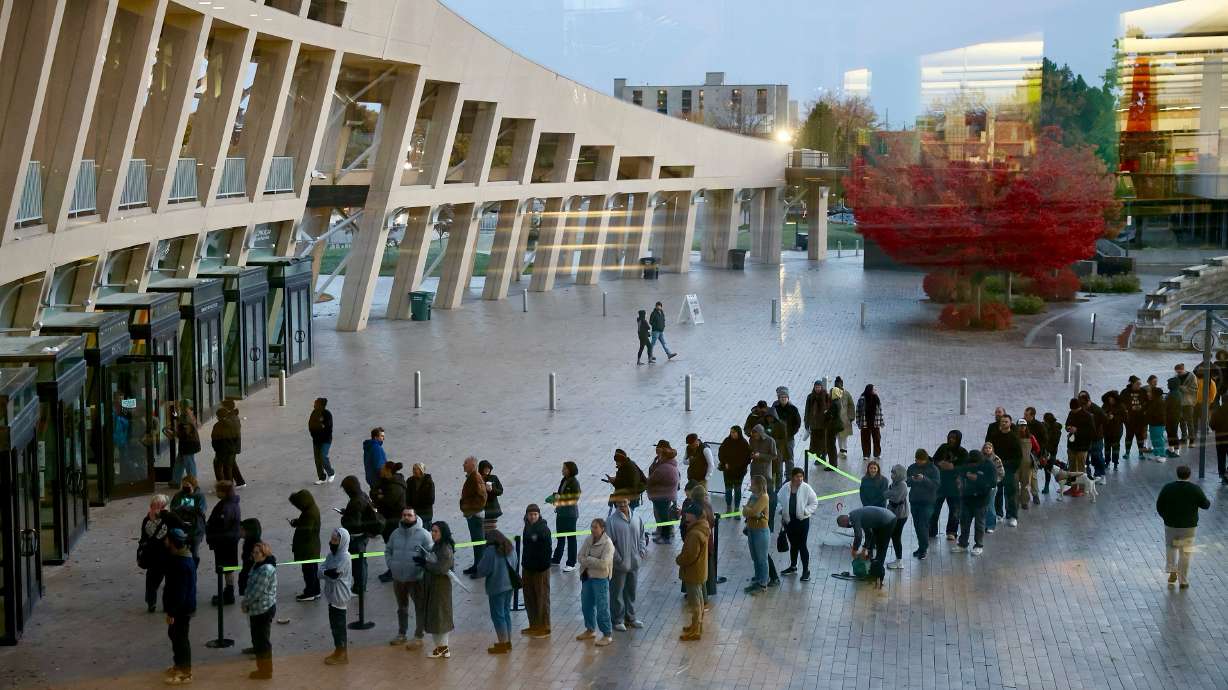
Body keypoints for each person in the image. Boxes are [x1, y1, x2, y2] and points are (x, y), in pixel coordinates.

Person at [1155, 465, 1211, 588]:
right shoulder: (1194, 489)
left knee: (1170, 547)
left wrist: (1165, 517)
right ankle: (1183, 581)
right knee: (1185, 552)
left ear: (1177, 474)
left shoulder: (1168, 488)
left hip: (1171, 525)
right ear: (1189, 475)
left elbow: (1159, 505)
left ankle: (1172, 570)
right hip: (1189, 526)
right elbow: (1205, 505)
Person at [386, 507, 432, 647]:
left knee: (419, 607)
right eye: (404, 515)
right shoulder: (395, 533)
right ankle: (402, 634)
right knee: (402, 607)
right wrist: (391, 564)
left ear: (415, 517)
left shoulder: (424, 535)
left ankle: (419, 636)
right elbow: (388, 550)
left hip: (416, 579)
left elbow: (430, 556)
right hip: (398, 578)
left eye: (409, 515)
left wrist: (422, 568)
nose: (406, 517)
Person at [162, 528, 197, 686]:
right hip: (182, 607)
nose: (165, 542)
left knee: (180, 637)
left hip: (181, 609)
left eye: (167, 539)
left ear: (173, 542)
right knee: (175, 635)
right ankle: (179, 665)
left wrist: (172, 612)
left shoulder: (181, 564)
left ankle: (185, 671)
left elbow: (179, 592)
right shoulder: (181, 558)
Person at [475, 529, 519, 654]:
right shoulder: (510, 547)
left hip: (496, 587)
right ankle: (508, 641)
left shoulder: (490, 551)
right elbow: (515, 563)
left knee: (498, 615)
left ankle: (502, 643)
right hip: (509, 585)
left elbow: (483, 569)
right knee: (506, 613)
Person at [606, 497, 647, 631]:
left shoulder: (636, 517)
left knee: (631, 591)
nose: (623, 505)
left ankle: (630, 617)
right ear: (616, 504)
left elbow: (642, 535)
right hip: (619, 565)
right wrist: (618, 559)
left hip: (634, 562)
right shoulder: (611, 521)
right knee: (617, 592)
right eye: (620, 503)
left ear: (628, 501)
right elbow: (609, 544)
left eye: (625, 502)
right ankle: (617, 619)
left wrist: (641, 551)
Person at [418, 521, 455, 659]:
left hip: (441, 587)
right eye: (432, 531)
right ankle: (441, 647)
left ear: (442, 532)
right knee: (436, 615)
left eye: (436, 531)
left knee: (440, 616)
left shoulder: (445, 548)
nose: (432, 534)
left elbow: (441, 568)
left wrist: (425, 564)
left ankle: (442, 648)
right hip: (434, 585)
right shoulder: (438, 546)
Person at [576, 518, 615, 647]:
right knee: (586, 605)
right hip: (587, 577)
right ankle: (590, 629)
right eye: (592, 527)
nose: (592, 529)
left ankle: (607, 634)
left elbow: (604, 564)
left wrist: (588, 560)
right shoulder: (589, 539)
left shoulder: (608, 544)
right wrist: (592, 561)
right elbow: (579, 556)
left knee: (602, 607)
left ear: (602, 528)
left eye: (595, 527)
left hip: (600, 579)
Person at [242, 542, 277, 680]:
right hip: (257, 609)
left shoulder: (266, 569)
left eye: (257, 553)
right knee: (258, 640)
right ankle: (262, 669)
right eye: (254, 552)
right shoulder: (258, 566)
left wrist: (246, 602)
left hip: (263, 609)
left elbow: (257, 591)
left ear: (264, 554)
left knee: (262, 642)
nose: (254, 555)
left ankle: (265, 671)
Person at [339, 475, 379, 594]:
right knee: (361, 562)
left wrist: (344, 518)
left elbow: (353, 523)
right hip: (363, 535)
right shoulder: (363, 496)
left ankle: (359, 588)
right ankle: (360, 586)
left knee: (358, 564)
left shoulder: (355, 501)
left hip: (357, 537)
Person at [776, 467, 818, 580]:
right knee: (793, 544)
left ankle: (806, 571)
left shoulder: (806, 488)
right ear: (792, 477)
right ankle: (793, 566)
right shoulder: (785, 488)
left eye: (801, 476)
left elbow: (814, 503)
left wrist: (805, 511)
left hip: (802, 521)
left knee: (802, 545)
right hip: (789, 521)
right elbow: (778, 500)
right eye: (797, 476)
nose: (799, 478)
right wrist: (781, 510)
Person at [675, 507, 710, 641]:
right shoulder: (703, 527)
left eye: (688, 516)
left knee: (695, 602)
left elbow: (690, 555)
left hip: (693, 571)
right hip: (700, 570)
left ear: (695, 516)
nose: (686, 518)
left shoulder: (695, 533)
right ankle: (697, 625)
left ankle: (695, 630)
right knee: (699, 599)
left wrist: (679, 559)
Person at [837, 505, 896, 581]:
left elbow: (858, 536)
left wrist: (854, 550)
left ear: (844, 521)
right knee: (877, 543)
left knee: (881, 547)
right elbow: (869, 534)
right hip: (881, 521)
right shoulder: (855, 515)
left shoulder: (854, 518)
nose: (847, 527)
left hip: (888, 521)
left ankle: (877, 574)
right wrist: (864, 549)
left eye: (844, 526)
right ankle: (874, 568)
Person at [204, 481, 240, 606]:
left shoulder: (225, 508)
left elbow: (220, 525)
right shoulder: (232, 503)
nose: (216, 492)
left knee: (225, 568)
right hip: (230, 540)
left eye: (218, 490)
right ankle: (228, 591)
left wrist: (209, 529)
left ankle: (229, 594)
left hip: (224, 542)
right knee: (228, 569)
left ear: (223, 492)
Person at [321, 527, 353, 665]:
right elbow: (321, 571)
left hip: (340, 596)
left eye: (335, 540)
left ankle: (342, 653)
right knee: (334, 626)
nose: (332, 542)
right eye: (332, 539)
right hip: (331, 596)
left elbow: (334, 575)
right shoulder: (331, 555)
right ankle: (338, 650)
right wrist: (326, 573)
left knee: (339, 626)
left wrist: (325, 573)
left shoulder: (345, 557)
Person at [372, 461, 408, 583]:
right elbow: (373, 492)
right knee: (390, 545)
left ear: (388, 471)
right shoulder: (385, 482)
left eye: (383, 468)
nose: (380, 470)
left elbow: (387, 502)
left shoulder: (395, 485)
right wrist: (378, 495)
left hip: (393, 521)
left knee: (393, 547)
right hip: (387, 519)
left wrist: (379, 496)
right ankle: (392, 570)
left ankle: (394, 571)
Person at [520, 504, 553, 638]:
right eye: (530, 514)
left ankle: (544, 627)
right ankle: (533, 625)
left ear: (539, 515)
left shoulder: (543, 529)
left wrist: (542, 566)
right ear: (527, 515)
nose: (533, 516)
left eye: (535, 514)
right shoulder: (527, 527)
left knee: (541, 598)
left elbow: (547, 550)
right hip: (528, 568)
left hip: (540, 570)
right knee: (529, 598)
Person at [954, 450, 994, 556]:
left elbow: (993, 482)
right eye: (971, 463)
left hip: (981, 499)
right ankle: (963, 544)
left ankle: (978, 545)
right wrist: (960, 479)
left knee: (979, 524)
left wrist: (977, 478)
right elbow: (960, 472)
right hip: (967, 498)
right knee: (964, 522)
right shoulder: (967, 463)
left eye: (975, 464)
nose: (973, 466)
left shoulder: (989, 465)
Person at [986, 414, 1021, 526]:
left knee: (1011, 493)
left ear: (1010, 423)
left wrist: (1011, 468)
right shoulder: (995, 436)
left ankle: (1012, 516)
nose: (1004, 423)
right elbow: (990, 452)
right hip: (997, 470)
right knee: (997, 493)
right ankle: (998, 514)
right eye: (1002, 421)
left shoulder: (1014, 438)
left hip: (1009, 470)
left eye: (1006, 421)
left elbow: (1018, 456)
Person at [931, 431, 966, 542]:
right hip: (940, 484)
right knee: (934, 509)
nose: (951, 440)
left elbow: (966, 467)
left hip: (954, 486)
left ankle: (952, 531)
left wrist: (953, 467)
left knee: (955, 510)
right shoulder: (943, 448)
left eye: (954, 438)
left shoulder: (963, 452)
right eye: (950, 437)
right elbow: (934, 460)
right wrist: (940, 464)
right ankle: (931, 530)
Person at [742, 475, 774, 594]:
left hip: (761, 531)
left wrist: (749, 510)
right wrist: (749, 511)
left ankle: (763, 583)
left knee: (762, 558)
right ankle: (758, 579)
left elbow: (754, 511)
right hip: (751, 529)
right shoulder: (753, 496)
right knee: (755, 557)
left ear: (758, 485)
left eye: (753, 484)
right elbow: (745, 512)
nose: (751, 486)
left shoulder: (764, 497)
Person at [139, 495, 171, 613]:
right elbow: (145, 537)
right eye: (154, 506)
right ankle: (151, 603)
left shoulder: (168, 518)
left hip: (167, 555)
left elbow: (164, 535)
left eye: (160, 506)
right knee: (152, 581)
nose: (156, 509)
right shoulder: (146, 520)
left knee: (169, 583)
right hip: (153, 556)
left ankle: (167, 605)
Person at [906, 449, 940, 560]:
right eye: (916, 459)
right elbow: (907, 482)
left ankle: (923, 549)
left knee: (923, 525)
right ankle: (921, 547)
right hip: (915, 501)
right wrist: (911, 480)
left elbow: (935, 485)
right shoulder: (912, 468)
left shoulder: (933, 469)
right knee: (917, 525)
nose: (917, 462)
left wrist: (924, 479)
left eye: (920, 460)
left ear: (925, 459)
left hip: (928, 502)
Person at [289, 490, 322, 602]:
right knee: (313, 569)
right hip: (313, 546)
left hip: (308, 548)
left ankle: (310, 592)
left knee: (308, 571)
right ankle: (316, 590)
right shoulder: (312, 508)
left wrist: (299, 529)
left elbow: (306, 531)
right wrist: (298, 522)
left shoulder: (309, 513)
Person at [646, 440, 680, 544]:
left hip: (663, 495)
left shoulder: (664, 468)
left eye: (660, 450)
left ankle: (666, 536)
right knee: (661, 515)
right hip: (661, 494)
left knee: (664, 517)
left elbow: (652, 479)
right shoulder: (662, 463)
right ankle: (662, 533)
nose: (657, 452)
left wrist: (646, 482)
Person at [550, 461, 581, 571]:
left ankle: (571, 563)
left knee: (571, 538)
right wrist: (555, 497)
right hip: (561, 513)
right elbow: (561, 494)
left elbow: (575, 498)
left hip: (570, 515)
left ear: (570, 470)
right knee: (560, 537)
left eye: (564, 468)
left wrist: (560, 499)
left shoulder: (574, 483)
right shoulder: (564, 480)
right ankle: (556, 559)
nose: (562, 470)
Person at [459, 456, 488, 575]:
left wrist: (469, 508)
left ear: (472, 465)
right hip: (473, 514)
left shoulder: (476, 478)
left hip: (475, 515)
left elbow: (482, 498)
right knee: (475, 542)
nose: (463, 465)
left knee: (479, 542)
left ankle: (480, 568)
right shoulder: (472, 477)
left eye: (465, 463)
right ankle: (477, 565)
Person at [169, 475, 207, 566]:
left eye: (187, 485)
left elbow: (201, 511)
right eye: (183, 485)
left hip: (196, 528)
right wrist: (190, 509)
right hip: (181, 526)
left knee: (194, 551)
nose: (185, 487)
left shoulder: (199, 496)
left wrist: (184, 508)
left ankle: (193, 568)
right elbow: (173, 509)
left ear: (193, 485)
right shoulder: (178, 495)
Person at [166, 400, 200, 486]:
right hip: (187, 443)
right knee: (180, 462)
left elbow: (186, 433)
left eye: (180, 405)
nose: (179, 407)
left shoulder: (186, 417)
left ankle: (192, 482)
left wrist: (173, 433)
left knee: (189, 463)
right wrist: (176, 417)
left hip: (188, 444)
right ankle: (176, 480)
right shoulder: (187, 414)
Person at [211, 400, 245, 487]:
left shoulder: (222, 424)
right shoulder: (234, 417)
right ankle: (240, 482)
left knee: (222, 466)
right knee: (231, 464)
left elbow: (216, 438)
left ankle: (226, 486)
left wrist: (216, 448)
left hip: (225, 448)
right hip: (233, 446)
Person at [718, 426, 751, 513]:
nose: (732, 434)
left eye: (734, 432)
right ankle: (728, 507)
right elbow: (721, 452)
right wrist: (725, 462)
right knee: (728, 490)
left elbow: (747, 458)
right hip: (728, 471)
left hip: (739, 472)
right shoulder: (727, 441)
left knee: (737, 490)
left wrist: (737, 466)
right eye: (731, 432)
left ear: (738, 433)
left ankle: (736, 508)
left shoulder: (744, 443)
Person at [772, 386, 802, 473]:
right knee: (778, 459)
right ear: (778, 398)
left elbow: (797, 423)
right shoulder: (775, 407)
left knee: (789, 459)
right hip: (777, 439)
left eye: (785, 397)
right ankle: (779, 477)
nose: (784, 399)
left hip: (789, 438)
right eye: (782, 397)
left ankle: (789, 477)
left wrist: (790, 433)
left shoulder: (793, 409)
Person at [886, 465, 909, 569]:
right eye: (891, 472)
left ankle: (899, 561)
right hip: (894, 513)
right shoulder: (895, 483)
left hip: (900, 515)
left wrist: (887, 493)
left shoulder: (902, 485)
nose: (892, 475)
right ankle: (898, 559)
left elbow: (895, 498)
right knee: (894, 536)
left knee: (896, 536)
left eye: (894, 473)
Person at [307, 398, 335, 484]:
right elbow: (310, 425)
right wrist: (314, 434)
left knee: (323, 456)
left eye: (316, 403)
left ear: (321, 405)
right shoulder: (314, 413)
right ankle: (322, 477)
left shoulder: (327, 414)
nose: (314, 404)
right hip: (316, 440)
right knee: (317, 459)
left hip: (326, 440)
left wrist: (320, 427)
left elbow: (328, 428)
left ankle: (331, 473)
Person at [804, 380, 832, 467]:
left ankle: (823, 457)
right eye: (816, 387)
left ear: (821, 387)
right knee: (815, 442)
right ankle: (818, 457)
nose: (817, 389)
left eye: (819, 387)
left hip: (823, 424)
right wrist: (806, 422)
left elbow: (829, 408)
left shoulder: (826, 396)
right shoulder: (810, 397)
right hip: (814, 424)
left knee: (823, 442)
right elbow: (807, 410)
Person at [1120, 376, 1149, 458]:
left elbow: (1147, 403)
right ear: (1132, 383)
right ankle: (1127, 453)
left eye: (1140, 384)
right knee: (1129, 436)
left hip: (1140, 419)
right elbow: (1121, 404)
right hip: (1129, 419)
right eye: (1137, 384)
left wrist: (1141, 407)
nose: (1139, 386)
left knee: (1140, 436)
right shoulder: (1125, 392)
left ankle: (1141, 453)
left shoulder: (1143, 391)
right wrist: (1130, 408)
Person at [1065, 397, 1095, 473]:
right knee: (1071, 468)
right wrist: (1068, 428)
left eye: (1074, 410)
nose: (1073, 411)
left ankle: (1081, 484)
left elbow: (1092, 432)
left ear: (1079, 407)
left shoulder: (1088, 416)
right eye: (1072, 410)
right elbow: (1067, 424)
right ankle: (1073, 484)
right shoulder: (1071, 413)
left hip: (1083, 447)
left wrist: (1077, 430)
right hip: (1072, 445)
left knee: (1081, 469)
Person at [855, 384, 884, 460]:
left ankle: (877, 453)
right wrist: (858, 422)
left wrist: (881, 422)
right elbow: (858, 411)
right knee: (865, 439)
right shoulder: (862, 399)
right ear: (870, 390)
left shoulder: (877, 398)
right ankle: (866, 454)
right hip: (865, 422)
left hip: (875, 422)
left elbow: (880, 411)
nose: (875, 391)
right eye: (874, 389)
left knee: (877, 439)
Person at [1173, 363, 1199, 448]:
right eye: (1177, 372)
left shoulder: (1192, 376)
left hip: (1188, 402)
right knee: (1181, 421)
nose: (1178, 373)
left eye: (1180, 372)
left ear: (1183, 369)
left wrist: (1184, 389)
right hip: (1179, 402)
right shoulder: (1176, 377)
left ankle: (1192, 441)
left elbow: (1195, 389)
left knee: (1189, 422)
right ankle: (1184, 438)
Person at [981, 442, 1004, 532]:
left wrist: (994, 481)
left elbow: (1001, 473)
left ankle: (990, 525)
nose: (987, 449)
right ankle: (983, 524)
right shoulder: (980, 458)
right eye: (986, 448)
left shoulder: (996, 459)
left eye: (989, 448)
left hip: (991, 486)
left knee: (990, 505)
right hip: (981, 486)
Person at [237, 518, 262, 598]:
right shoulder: (248, 544)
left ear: (249, 532)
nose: (239, 531)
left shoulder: (255, 548)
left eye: (242, 529)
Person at [478, 460, 504, 536]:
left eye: (488, 468)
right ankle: (485, 545)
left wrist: (491, 490)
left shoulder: (493, 478)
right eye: (485, 468)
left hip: (492, 509)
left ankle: (491, 544)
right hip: (481, 509)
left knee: (491, 529)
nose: (487, 470)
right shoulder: (477, 479)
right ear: (481, 469)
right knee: (482, 530)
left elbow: (500, 491)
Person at [831, 376, 856, 458]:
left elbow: (851, 405)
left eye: (840, 384)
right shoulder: (832, 393)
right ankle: (841, 449)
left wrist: (851, 416)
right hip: (836, 419)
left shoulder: (846, 393)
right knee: (839, 435)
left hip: (845, 419)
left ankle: (844, 450)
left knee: (844, 435)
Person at [1145, 381, 1168, 462]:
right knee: (1154, 439)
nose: (1148, 394)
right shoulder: (1153, 401)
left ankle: (1162, 455)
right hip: (1153, 424)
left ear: (1154, 394)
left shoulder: (1159, 402)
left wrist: (1147, 414)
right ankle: (1156, 454)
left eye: (1150, 392)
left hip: (1158, 424)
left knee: (1159, 439)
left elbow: (1157, 414)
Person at [1100, 392, 1124, 471]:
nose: (1111, 401)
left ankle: (1115, 463)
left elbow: (1125, 418)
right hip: (1106, 430)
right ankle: (1107, 462)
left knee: (1115, 447)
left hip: (1117, 431)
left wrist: (1114, 417)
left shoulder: (1121, 407)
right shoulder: (1105, 406)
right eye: (1109, 399)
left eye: (1112, 399)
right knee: (1107, 447)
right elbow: (1101, 416)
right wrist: (1107, 417)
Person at [1041, 412, 1063, 493]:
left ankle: (1047, 486)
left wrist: (1047, 451)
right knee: (1048, 468)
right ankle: (1047, 486)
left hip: (1051, 452)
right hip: (1048, 451)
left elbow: (1054, 443)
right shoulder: (1045, 426)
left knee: (1048, 468)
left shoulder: (1056, 430)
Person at [1165, 378, 1184, 458]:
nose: (1167, 385)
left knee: (1172, 433)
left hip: (1172, 417)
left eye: (1168, 384)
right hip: (1175, 416)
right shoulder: (1176, 393)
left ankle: (1176, 452)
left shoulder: (1173, 394)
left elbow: (1168, 406)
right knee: (1171, 433)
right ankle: (1171, 449)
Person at [1210, 401, 1228, 483]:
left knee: (1221, 457)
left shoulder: (1217, 411)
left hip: (1220, 439)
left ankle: (1222, 474)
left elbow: (1212, 426)